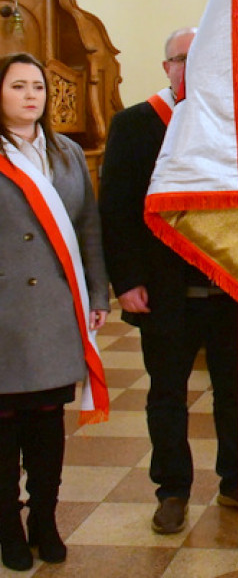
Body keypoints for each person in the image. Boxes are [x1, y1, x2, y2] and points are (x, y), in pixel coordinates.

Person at [100, 28, 238, 536]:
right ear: (167, 67)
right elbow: (115, 210)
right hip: (163, 292)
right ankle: (172, 489)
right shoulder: (135, 124)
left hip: (229, 292)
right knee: (167, 396)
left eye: (203, 59)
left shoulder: (233, 124)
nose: (192, 67)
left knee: (236, 394)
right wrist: (127, 280)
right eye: (183, 59)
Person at [0, 53, 108, 571]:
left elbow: (88, 227)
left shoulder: (65, 152)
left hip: (55, 312)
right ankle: (8, 530)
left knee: (46, 423)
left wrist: (98, 294)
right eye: (18, 86)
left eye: (38, 87)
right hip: (3, 316)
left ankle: (45, 519)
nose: (30, 96)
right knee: (4, 430)